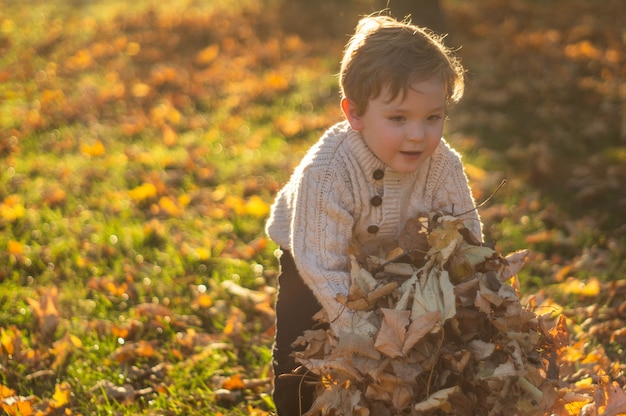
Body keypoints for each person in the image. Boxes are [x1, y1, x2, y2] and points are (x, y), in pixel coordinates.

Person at [265, 14, 482, 415]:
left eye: (432, 117)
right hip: (310, 257)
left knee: (431, 350)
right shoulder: (330, 172)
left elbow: (465, 237)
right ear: (355, 115)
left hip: (387, 260)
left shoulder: (443, 165)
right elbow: (323, 268)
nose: (418, 134)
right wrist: (365, 338)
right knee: (300, 351)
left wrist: (474, 294)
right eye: (399, 118)